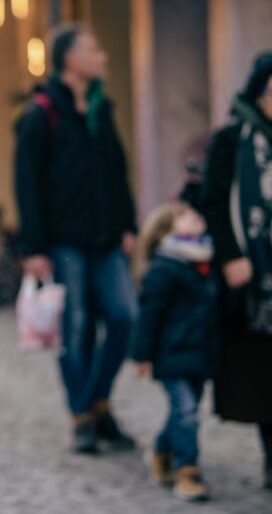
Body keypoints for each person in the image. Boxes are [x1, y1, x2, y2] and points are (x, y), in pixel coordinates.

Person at [14, 23, 138, 454]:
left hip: (107, 241)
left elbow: (118, 171)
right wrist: (34, 248)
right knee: (75, 327)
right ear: (70, 58)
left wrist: (129, 226)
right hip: (63, 241)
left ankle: (95, 403)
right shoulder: (41, 113)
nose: (102, 55)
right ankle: (84, 418)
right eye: (93, 48)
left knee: (124, 317)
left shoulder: (102, 109)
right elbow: (26, 183)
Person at [198, 51, 272, 491]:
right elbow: (212, 200)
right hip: (255, 278)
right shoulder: (232, 139)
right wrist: (230, 257)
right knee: (265, 373)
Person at [131, 203, 216, 502]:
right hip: (172, 354)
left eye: (196, 214)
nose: (196, 217)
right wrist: (141, 355)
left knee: (184, 411)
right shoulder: (164, 268)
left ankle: (161, 448)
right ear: (167, 230)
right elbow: (149, 315)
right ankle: (187, 471)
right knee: (187, 411)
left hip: (200, 353)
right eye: (186, 217)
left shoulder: (205, 262)